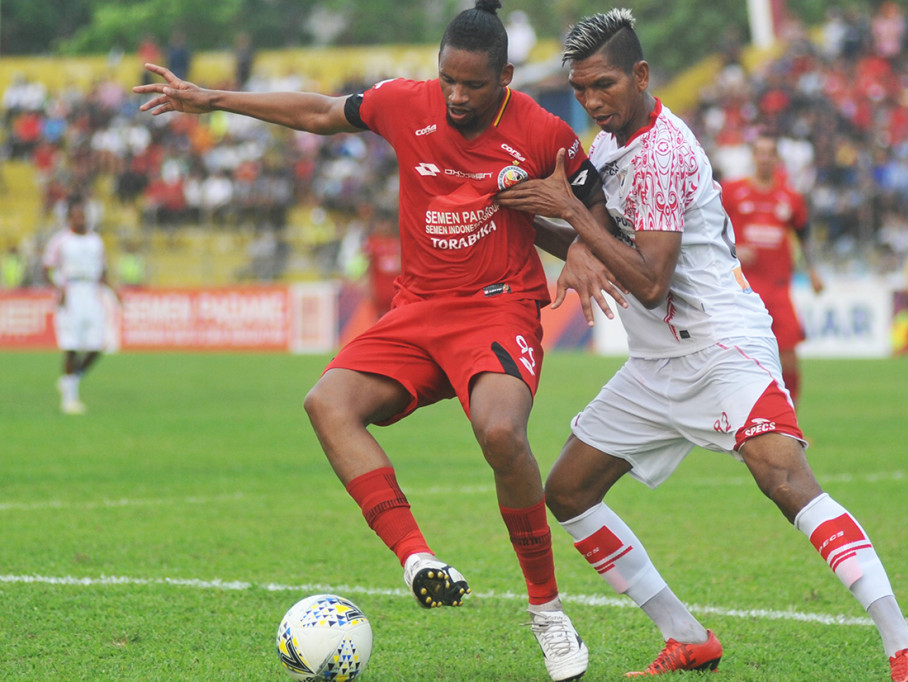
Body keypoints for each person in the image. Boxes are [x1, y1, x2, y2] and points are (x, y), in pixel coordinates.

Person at [133, 2, 613, 679]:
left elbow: (595, 201)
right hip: (417, 313)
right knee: (326, 402)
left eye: (473, 84)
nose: (455, 95)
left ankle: (548, 613)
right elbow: (320, 113)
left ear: (506, 77)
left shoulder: (543, 130)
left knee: (501, 435)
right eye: (447, 78)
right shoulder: (404, 104)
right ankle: (417, 558)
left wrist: (587, 250)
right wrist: (211, 99)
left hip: (497, 310)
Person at [494, 9, 908, 682]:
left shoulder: (664, 151)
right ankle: (686, 635)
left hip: (720, 346)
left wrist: (568, 213)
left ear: (641, 75)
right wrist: (533, 216)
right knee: (566, 491)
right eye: (581, 89)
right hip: (654, 364)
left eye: (604, 86)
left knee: (783, 479)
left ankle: (905, 643)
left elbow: (648, 282)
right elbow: (602, 246)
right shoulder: (612, 144)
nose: (592, 102)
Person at [721, 133, 824, 407]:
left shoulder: (790, 197)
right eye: (760, 152)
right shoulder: (732, 191)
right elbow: (711, 229)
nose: (765, 158)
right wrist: (734, 247)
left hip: (779, 288)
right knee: (738, 355)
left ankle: (792, 420)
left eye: (770, 153)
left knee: (788, 354)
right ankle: (739, 416)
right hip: (743, 287)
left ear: (777, 159)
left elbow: (803, 234)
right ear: (753, 157)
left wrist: (813, 270)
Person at [42, 194, 117, 415]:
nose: (80, 220)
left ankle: (71, 379)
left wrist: (115, 292)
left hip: (92, 292)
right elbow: (47, 267)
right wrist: (59, 288)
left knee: (98, 345)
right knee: (72, 346)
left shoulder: (96, 241)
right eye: (76, 217)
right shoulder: (60, 241)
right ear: (69, 219)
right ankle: (69, 399)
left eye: (83, 216)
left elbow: (102, 271)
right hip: (71, 292)